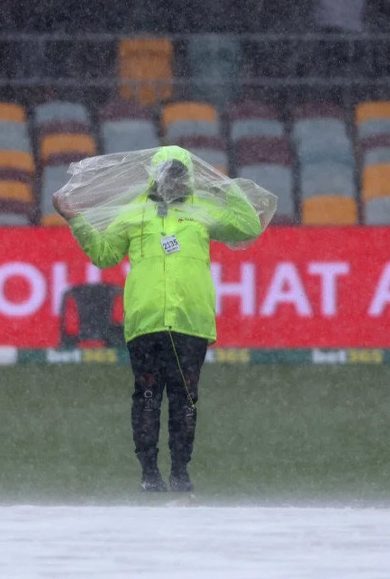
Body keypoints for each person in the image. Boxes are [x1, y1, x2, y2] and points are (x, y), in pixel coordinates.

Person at [53, 146, 264, 492]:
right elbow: (105, 256)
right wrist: (75, 219)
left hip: (190, 320)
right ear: (155, 175)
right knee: (148, 396)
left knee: (185, 399)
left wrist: (225, 187)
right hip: (146, 321)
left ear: (189, 178)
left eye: (180, 174)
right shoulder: (135, 213)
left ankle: (180, 471)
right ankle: (149, 473)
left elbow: (248, 226)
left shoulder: (202, 210)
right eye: (168, 173)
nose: (174, 181)